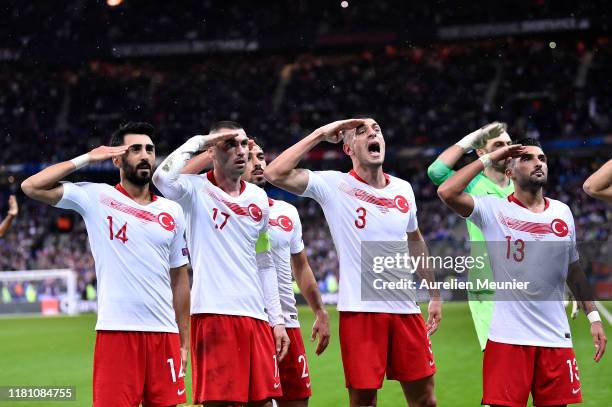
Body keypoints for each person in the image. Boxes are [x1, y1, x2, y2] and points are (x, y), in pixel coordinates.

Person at [264, 118, 441, 407]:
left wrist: (434, 295)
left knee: (426, 401)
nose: (373, 133)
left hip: (406, 311)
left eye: (377, 130)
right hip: (360, 313)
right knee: (363, 402)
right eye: (362, 131)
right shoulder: (334, 184)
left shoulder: (404, 190)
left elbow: (415, 241)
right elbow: (274, 172)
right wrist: (321, 133)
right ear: (347, 147)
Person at [21, 122, 191, 407]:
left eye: (149, 149)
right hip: (117, 332)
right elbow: (31, 186)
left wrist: (183, 340)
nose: (145, 155)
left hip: (164, 335)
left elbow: (180, 278)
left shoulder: (172, 211)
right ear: (117, 159)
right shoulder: (96, 197)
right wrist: (87, 158)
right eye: (135, 149)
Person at [437, 138, 607, 407]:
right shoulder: (492, 209)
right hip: (507, 339)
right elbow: (446, 191)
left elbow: (573, 269)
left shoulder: (562, 213)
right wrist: (494, 156)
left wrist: (594, 317)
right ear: (509, 172)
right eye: (527, 158)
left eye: (542, 158)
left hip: (556, 338)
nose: (538, 163)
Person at [183, 140, 331, 406]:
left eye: (261, 156)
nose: (257, 163)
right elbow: (175, 181)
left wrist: (319, 310)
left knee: (297, 401)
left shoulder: (288, 212)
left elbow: (302, 266)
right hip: (244, 318)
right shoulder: (218, 204)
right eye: (249, 157)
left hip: (285, 321)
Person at [153, 121, 290, 407]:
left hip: (255, 318)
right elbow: (162, 178)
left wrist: (276, 320)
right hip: (213, 314)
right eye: (231, 144)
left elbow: (264, 261)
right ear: (212, 151)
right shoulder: (194, 190)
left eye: (243, 144)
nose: (241, 151)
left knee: (266, 402)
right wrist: (203, 140)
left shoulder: (259, 199)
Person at [428, 122, 513, 351]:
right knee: (499, 359)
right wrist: (473, 137)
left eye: (508, 144)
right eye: (498, 145)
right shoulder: (472, 183)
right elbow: (436, 172)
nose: (506, 149)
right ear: (482, 152)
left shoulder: (521, 186)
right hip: (488, 284)